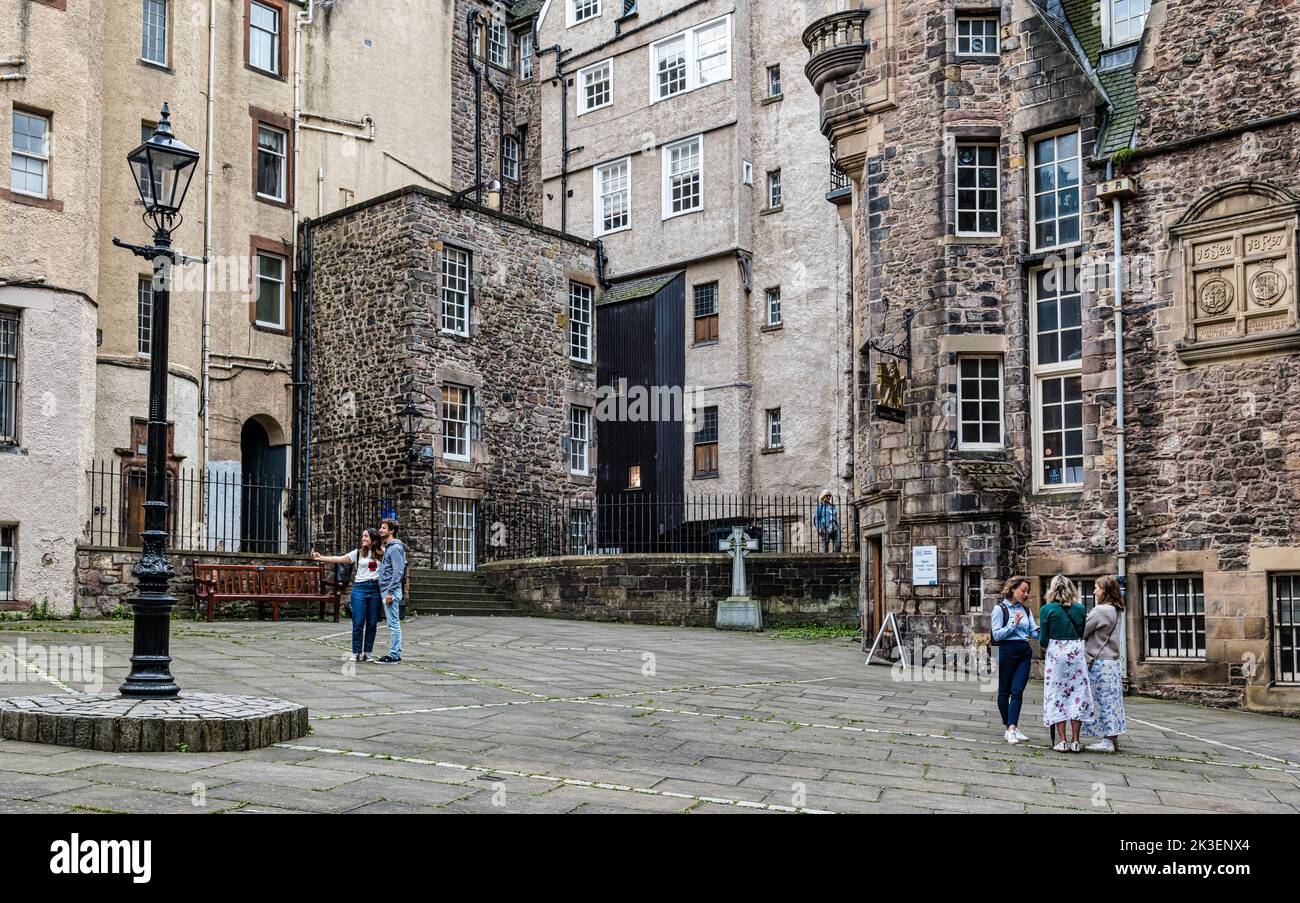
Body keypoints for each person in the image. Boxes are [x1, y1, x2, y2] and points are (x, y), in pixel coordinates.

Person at [1039, 575, 1094, 752]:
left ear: (1052, 589)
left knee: (1057, 695)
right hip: (1075, 652)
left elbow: (1043, 639)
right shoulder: (1080, 609)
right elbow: (1081, 632)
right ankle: (1076, 741)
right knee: (1077, 694)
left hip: (1056, 653)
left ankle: (1062, 741)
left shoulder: (1047, 609)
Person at [312, 528, 384, 662]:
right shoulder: (358, 553)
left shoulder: (382, 553)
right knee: (358, 622)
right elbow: (340, 559)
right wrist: (320, 557)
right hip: (360, 589)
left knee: (372, 622)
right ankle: (356, 652)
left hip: (375, 589)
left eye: (366, 536)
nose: (363, 538)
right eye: (362, 536)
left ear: (373, 539)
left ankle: (368, 652)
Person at [991, 575, 1038, 745]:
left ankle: (1012, 728)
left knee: (1017, 690)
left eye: (1027, 592)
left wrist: (1041, 631)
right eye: (1023, 590)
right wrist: (1013, 625)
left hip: (1024, 652)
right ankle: (1010, 727)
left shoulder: (1026, 610)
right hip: (1005, 651)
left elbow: (1032, 632)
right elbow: (996, 634)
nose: (1026, 594)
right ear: (1013, 589)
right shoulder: (1000, 609)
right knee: (1004, 691)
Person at [1083, 575, 1127, 752]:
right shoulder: (1116, 609)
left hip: (1100, 662)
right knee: (1112, 702)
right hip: (1113, 663)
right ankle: (1111, 738)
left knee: (1103, 702)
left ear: (1105, 591)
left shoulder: (1101, 610)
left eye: (1097, 587)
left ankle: (1107, 741)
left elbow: (1083, 630)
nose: (1094, 591)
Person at [373, 518, 407, 664]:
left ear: (391, 530)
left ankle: (394, 655)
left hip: (390, 591)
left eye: (384, 528)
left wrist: (390, 592)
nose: (381, 530)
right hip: (386, 589)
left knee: (393, 624)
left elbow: (398, 572)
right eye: (380, 528)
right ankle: (394, 653)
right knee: (392, 623)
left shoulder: (395, 548)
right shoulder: (389, 547)